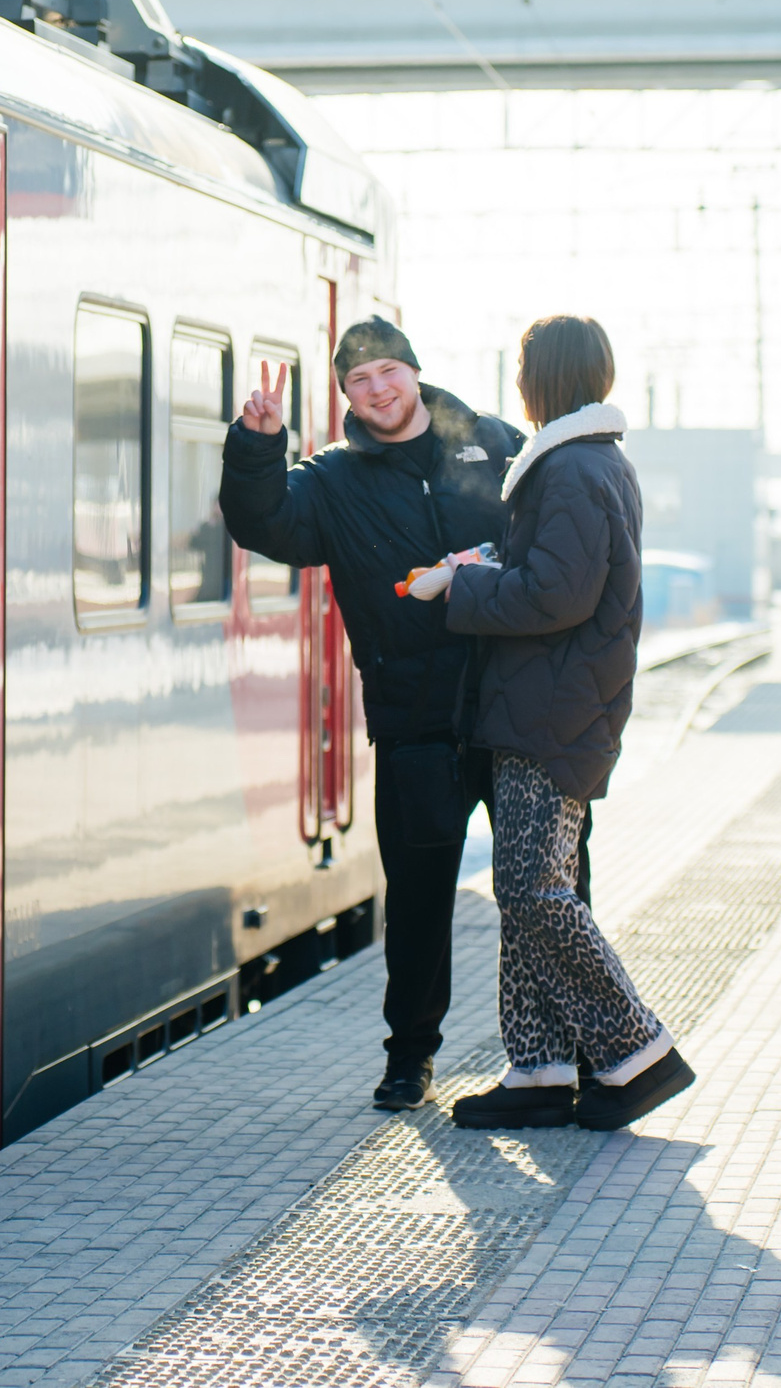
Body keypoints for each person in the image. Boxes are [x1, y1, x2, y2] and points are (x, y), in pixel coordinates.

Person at [221, 316, 524, 1112]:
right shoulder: (330, 480)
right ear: (346, 394)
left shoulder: (495, 446)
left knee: (548, 888)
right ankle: (410, 1057)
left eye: (389, 371)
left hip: (513, 709)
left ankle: (564, 1051)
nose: (379, 389)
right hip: (413, 716)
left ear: (415, 373)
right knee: (419, 898)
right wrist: (259, 446)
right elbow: (263, 523)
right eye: (359, 380)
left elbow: (549, 548)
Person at [438, 314, 694, 1134]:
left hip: (556, 708)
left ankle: (636, 1049)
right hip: (548, 702)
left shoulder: (575, 469)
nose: (515, 381)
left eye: (522, 366)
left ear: (541, 376)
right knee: (524, 889)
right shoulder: (584, 462)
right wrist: (486, 567)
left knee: (533, 887)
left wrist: (461, 591)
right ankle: (540, 1069)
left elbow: (558, 595)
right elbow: (556, 574)